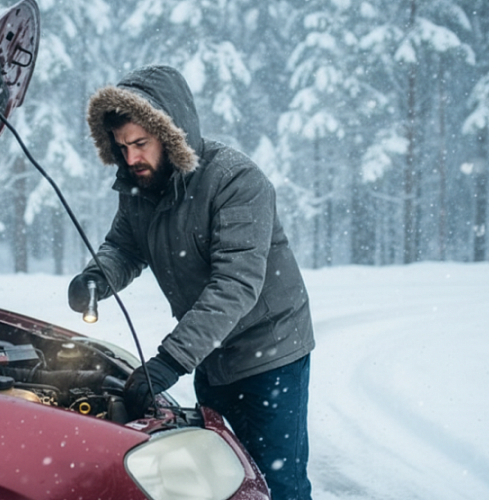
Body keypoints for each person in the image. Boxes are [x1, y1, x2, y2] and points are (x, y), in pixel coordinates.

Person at [68, 65, 315, 500]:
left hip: (269, 356)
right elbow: (124, 247)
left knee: (279, 484)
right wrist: (96, 278)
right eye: (122, 147)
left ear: (171, 133)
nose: (131, 159)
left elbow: (236, 283)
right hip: (212, 353)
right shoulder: (140, 189)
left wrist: (170, 360)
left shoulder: (236, 181)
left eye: (140, 144)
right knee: (220, 480)